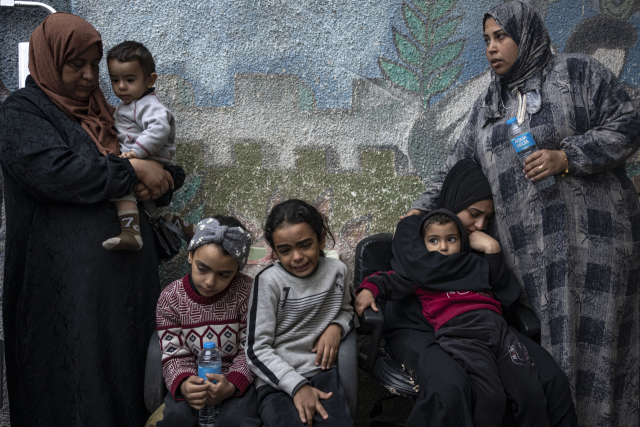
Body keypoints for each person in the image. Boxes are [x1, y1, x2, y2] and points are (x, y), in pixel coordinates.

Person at [407, 2, 640, 425]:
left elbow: (629, 122)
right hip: (527, 258)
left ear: (527, 35)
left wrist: (566, 156)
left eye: (501, 37)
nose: (492, 48)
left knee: (600, 346)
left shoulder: (579, 75)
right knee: (542, 352)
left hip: (597, 245)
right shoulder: (487, 107)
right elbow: (456, 167)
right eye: (487, 41)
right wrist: (420, 209)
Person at [0, 13, 178, 426]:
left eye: (93, 65)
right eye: (74, 65)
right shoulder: (23, 114)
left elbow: (150, 161)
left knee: (128, 379)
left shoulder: (105, 111)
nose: (87, 76)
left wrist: (161, 180)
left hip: (125, 286)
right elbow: (56, 172)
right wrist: (133, 173)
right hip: (63, 288)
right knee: (74, 384)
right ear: (48, 61)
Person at [384, 159, 576, 427]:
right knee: (452, 388)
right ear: (454, 200)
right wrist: (477, 267)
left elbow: (506, 299)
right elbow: (424, 272)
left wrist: (494, 253)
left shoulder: (482, 241)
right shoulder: (413, 228)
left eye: (487, 218)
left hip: (482, 326)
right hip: (417, 327)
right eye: (474, 213)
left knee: (551, 380)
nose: (480, 225)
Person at [356, 210, 548, 427]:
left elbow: (498, 280)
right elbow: (389, 281)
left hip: (499, 330)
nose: (443, 247)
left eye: (451, 239)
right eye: (434, 240)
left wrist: (492, 251)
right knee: (490, 396)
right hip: (462, 335)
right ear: (423, 244)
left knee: (531, 391)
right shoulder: (423, 273)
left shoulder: (473, 263)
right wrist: (368, 289)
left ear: (462, 241)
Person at [246, 199, 354, 427]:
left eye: (305, 245)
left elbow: (346, 310)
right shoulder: (268, 282)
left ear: (321, 239)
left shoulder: (338, 272)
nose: (296, 256)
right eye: (285, 250)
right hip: (276, 380)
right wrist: (297, 386)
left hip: (322, 373)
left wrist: (337, 327)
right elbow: (256, 349)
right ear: (274, 251)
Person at [155, 215, 262, 427]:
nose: (210, 282)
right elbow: (173, 352)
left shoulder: (247, 292)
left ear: (237, 271)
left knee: (237, 421)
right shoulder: (171, 298)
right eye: (202, 269)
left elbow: (252, 347)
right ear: (190, 256)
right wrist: (185, 384)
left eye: (224, 275)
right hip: (192, 379)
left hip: (236, 380)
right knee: (177, 420)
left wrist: (231, 384)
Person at [102, 40, 194, 251]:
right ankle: (187, 229)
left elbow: (159, 129)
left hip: (146, 158)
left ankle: (131, 233)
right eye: (115, 80)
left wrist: (136, 153)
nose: (121, 86)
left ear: (150, 80)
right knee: (153, 210)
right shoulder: (129, 105)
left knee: (121, 191)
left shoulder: (147, 105)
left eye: (130, 79)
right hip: (144, 159)